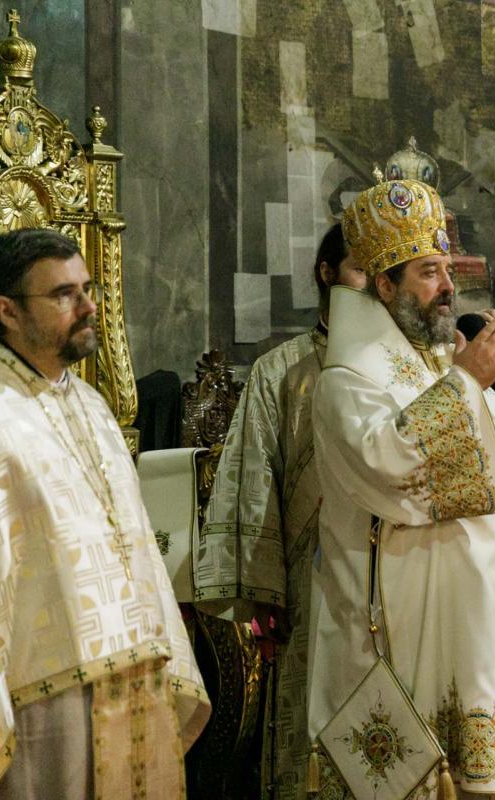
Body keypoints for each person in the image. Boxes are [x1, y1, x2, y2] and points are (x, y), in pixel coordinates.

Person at [308, 175, 495, 799]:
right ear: (383, 284)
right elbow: (390, 468)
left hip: (475, 624)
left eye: (447, 269)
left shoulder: (439, 365)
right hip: (406, 626)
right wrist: (464, 384)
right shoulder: (347, 380)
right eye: (428, 272)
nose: (449, 287)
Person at [0, 228, 209, 799]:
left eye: (88, 288)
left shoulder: (92, 404)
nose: (89, 306)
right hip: (46, 696)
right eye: (65, 294)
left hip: (134, 676)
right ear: (8, 311)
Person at [193, 222, 366, 800]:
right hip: (311, 587)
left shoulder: (409, 367)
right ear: (326, 273)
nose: (373, 287)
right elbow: (251, 482)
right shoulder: (281, 370)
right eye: (360, 270)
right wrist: (263, 592)